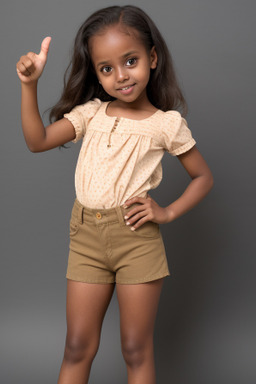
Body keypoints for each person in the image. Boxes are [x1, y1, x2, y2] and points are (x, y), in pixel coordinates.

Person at [16, 5, 213, 384]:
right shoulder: (91, 113)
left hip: (136, 240)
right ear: (96, 73)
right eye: (107, 68)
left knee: (135, 348)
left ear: (152, 58)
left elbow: (203, 177)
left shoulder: (166, 124)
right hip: (87, 236)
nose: (121, 75)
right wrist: (29, 85)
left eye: (130, 61)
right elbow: (37, 141)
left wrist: (167, 213)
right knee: (76, 345)